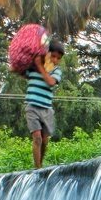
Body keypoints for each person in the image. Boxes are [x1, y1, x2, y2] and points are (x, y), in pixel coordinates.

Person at [25, 39, 64, 168]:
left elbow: (51, 82)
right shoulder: (33, 67)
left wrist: (41, 67)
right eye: (53, 56)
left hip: (47, 109)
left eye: (58, 58)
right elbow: (20, 70)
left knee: (45, 141)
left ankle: (40, 164)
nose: (55, 60)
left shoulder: (56, 71)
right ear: (46, 54)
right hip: (32, 107)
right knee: (37, 138)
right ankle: (37, 168)